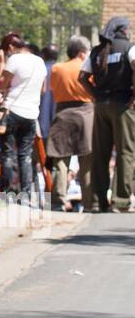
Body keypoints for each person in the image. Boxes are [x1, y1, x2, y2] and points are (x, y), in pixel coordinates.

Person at [79, 16, 135, 213]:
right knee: (125, 153)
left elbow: (82, 77)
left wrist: (95, 95)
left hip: (101, 106)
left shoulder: (96, 51)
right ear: (123, 29)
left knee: (100, 154)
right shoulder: (129, 48)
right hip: (123, 106)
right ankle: (120, 201)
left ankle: (97, 201)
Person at [0, 33, 46, 202]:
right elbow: (43, 90)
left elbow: (2, 84)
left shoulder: (15, 59)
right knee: (25, 155)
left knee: (8, 153)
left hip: (12, 110)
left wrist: (1, 64)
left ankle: (7, 194)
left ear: (14, 48)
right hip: (31, 113)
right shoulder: (40, 62)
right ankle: (25, 195)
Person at [46, 37, 93, 213]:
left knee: (60, 158)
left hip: (62, 114)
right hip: (86, 113)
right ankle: (89, 202)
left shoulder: (57, 68)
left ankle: (58, 200)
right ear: (82, 53)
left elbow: (52, 89)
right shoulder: (87, 68)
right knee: (87, 159)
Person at [39, 45, 58, 141]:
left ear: (43, 55)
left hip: (40, 113)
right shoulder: (60, 69)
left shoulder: (39, 69)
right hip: (57, 114)